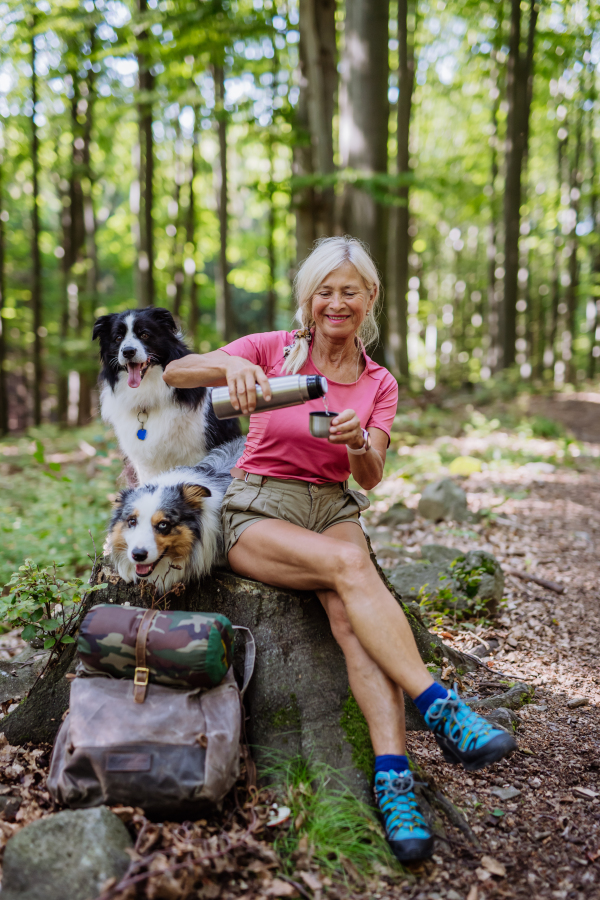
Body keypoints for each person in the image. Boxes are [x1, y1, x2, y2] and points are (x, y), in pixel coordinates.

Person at [163, 236, 516, 862]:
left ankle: (394, 787)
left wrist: (357, 443)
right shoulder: (275, 349)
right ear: (308, 298)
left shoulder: (379, 382)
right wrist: (232, 366)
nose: (336, 302)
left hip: (332, 504)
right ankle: (438, 705)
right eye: (324, 290)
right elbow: (175, 372)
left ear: (369, 298)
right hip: (258, 507)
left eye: (349, 291)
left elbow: (372, 475)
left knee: (352, 623)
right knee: (352, 568)